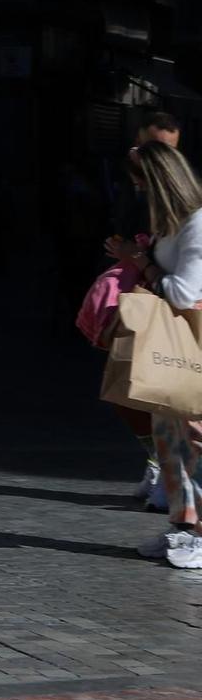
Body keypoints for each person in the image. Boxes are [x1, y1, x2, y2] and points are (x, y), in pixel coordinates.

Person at [106, 141, 202, 568]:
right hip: (172, 339)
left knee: (196, 436)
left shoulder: (197, 224)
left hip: (193, 338)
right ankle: (183, 527)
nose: (138, 190)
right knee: (169, 436)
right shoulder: (172, 225)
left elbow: (184, 292)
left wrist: (141, 261)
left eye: (142, 182)